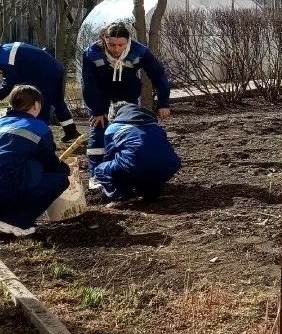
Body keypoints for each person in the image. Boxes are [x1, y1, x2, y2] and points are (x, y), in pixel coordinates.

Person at [81, 22, 171, 187]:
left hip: (127, 92)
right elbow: (88, 83)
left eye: (120, 45)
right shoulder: (92, 53)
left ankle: (125, 169)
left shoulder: (139, 51)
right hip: (100, 92)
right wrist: (97, 110)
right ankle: (96, 174)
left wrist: (163, 102)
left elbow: (158, 75)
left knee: (126, 129)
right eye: (111, 45)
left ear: (128, 41)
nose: (116, 49)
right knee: (98, 129)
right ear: (104, 40)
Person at [0, 85, 70, 237]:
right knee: (59, 179)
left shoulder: (1, 122)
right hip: (4, 189)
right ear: (37, 104)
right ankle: (15, 221)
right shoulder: (38, 128)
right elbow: (49, 162)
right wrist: (65, 169)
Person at [93, 101, 181, 204]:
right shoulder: (155, 125)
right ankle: (152, 194)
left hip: (136, 165)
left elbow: (110, 155)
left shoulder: (113, 128)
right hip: (170, 165)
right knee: (149, 163)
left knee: (101, 169)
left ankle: (122, 196)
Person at [0, 42, 81, 142]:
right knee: (57, 102)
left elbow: (10, 82)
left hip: (44, 73)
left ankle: (43, 139)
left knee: (40, 105)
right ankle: (71, 131)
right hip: (55, 68)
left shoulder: (5, 58)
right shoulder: (7, 49)